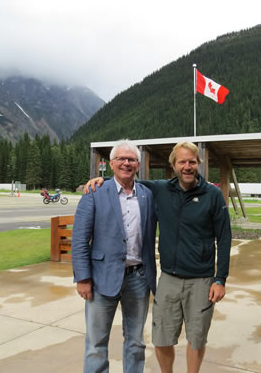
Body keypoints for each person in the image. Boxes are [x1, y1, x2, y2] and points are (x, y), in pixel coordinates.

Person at [85, 141, 232, 373]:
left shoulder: (212, 194)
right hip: (169, 279)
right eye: (182, 161)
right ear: (173, 164)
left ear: (199, 164)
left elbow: (224, 239)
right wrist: (101, 180)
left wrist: (220, 278)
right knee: (162, 337)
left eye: (192, 162)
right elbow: (127, 179)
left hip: (202, 279)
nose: (187, 166)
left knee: (196, 337)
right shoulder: (161, 189)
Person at [72, 139, 157, 373]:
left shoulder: (148, 195)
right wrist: (83, 278)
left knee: (136, 342)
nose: (126, 163)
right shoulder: (94, 192)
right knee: (96, 344)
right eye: (121, 158)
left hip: (138, 279)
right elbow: (80, 239)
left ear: (138, 164)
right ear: (110, 163)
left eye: (131, 159)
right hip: (101, 279)